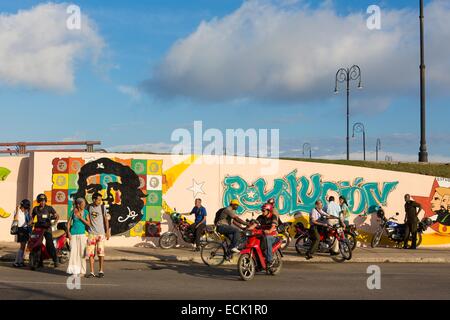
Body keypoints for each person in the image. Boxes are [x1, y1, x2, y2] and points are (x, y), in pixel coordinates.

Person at [86, 193, 110, 278]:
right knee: (91, 254)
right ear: (94, 200)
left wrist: (107, 231)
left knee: (101, 253)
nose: (100, 201)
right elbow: (87, 218)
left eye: (101, 200)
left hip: (101, 234)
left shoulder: (102, 207)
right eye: (98, 200)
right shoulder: (88, 207)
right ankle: (92, 271)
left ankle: (101, 270)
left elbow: (106, 220)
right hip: (91, 234)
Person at [31, 194, 59, 268]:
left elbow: (56, 215)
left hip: (47, 228)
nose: (42, 202)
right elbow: (32, 218)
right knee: (37, 244)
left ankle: (55, 260)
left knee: (49, 245)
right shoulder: (35, 209)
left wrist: (55, 221)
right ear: (38, 201)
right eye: (40, 201)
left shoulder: (49, 208)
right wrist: (29, 223)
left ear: (45, 201)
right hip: (38, 229)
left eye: (43, 201)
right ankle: (39, 262)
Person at [248, 203, 278, 269]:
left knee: (267, 238)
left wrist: (269, 231)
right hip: (263, 235)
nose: (262, 212)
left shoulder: (273, 216)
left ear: (268, 211)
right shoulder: (260, 217)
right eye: (262, 210)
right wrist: (247, 230)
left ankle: (269, 260)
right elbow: (254, 225)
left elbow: (273, 226)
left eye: (264, 211)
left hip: (273, 236)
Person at [67, 198, 91, 276]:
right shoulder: (72, 212)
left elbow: (89, 224)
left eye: (84, 204)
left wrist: (81, 218)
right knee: (73, 252)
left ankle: (82, 271)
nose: (84, 206)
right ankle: (74, 271)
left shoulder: (86, 212)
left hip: (82, 234)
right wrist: (68, 233)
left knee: (82, 253)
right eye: (82, 204)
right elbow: (69, 223)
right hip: (73, 234)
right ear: (78, 205)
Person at [12, 199, 31, 268]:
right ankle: (16, 262)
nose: (25, 209)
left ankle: (20, 261)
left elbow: (27, 220)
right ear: (21, 206)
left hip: (25, 229)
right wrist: (17, 210)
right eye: (24, 208)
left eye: (26, 208)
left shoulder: (25, 212)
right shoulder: (18, 211)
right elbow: (15, 219)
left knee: (24, 246)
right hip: (20, 229)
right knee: (22, 246)